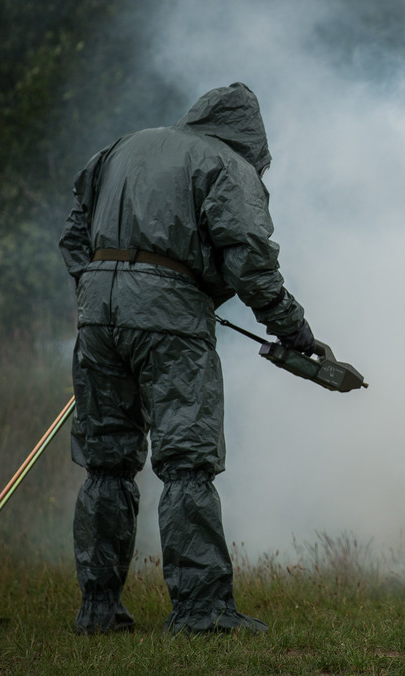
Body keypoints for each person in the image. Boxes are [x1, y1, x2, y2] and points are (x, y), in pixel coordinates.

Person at [59, 82, 318, 635]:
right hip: (169, 323)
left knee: (106, 461)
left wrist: (103, 290)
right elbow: (249, 257)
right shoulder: (226, 163)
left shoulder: (121, 146)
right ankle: (201, 612)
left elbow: (74, 233)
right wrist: (292, 328)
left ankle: (98, 611)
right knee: (187, 463)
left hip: (98, 315)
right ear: (251, 138)